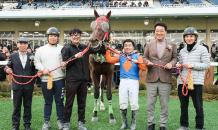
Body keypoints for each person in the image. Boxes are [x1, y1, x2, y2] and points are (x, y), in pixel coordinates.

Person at [106, 39, 147, 130]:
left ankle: (133, 124)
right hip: (123, 81)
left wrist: (138, 63)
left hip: (133, 82)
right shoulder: (120, 56)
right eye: (125, 45)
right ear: (123, 47)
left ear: (133, 47)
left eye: (129, 45)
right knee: (122, 102)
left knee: (134, 103)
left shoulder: (137, 56)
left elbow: (144, 68)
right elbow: (109, 59)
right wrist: (108, 49)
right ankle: (124, 123)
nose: (127, 47)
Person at [143, 22, 177, 130]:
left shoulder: (172, 45)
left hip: (165, 78)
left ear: (165, 32)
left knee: (164, 104)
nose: (159, 32)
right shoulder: (148, 45)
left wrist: (171, 64)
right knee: (150, 104)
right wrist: (147, 61)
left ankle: (162, 124)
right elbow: (144, 57)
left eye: (161, 30)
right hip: (151, 77)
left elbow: (175, 58)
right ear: (154, 32)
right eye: (157, 30)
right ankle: (151, 123)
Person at [176, 27, 210, 130]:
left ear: (195, 37)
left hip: (196, 82)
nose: (189, 38)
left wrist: (192, 65)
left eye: (191, 36)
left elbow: (206, 65)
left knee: (198, 106)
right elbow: (181, 63)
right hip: (183, 82)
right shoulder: (182, 51)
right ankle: (184, 125)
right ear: (184, 38)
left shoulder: (202, 49)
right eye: (187, 36)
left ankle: (199, 126)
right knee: (183, 105)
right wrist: (179, 65)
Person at [5, 37, 41, 130]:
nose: (23, 45)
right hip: (17, 85)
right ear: (17, 45)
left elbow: (35, 68)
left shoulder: (32, 56)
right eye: (21, 43)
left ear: (27, 45)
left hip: (28, 85)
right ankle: (15, 125)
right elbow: (7, 67)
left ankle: (27, 125)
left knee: (27, 105)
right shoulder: (13, 56)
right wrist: (7, 70)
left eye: (25, 43)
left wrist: (35, 74)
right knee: (16, 106)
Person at [34, 27, 66, 130]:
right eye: (51, 36)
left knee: (60, 102)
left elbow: (66, 62)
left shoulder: (62, 49)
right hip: (45, 80)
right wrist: (42, 69)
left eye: (55, 36)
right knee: (48, 102)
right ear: (48, 37)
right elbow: (36, 62)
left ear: (57, 37)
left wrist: (65, 65)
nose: (53, 38)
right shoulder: (41, 50)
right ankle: (46, 122)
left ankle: (61, 121)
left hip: (60, 79)